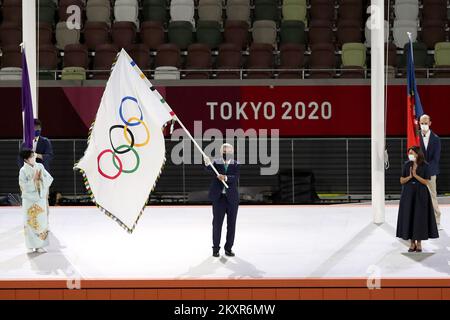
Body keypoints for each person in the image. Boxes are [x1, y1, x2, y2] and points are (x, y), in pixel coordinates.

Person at [396, 146, 439, 252]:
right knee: (409, 217)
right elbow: (401, 180)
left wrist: (415, 175)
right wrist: (410, 177)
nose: (410, 155)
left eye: (412, 153)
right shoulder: (407, 165)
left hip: (421, 194)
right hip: (408, 194)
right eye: (409, 153)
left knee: (419, 218)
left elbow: (426, 182)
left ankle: (419, 243)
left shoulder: (425, 165)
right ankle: (412, 243)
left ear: (417, 153)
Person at [204, 143, 240, 257]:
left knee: (231, 224)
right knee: (217, 224)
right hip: (219, 199)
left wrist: (225, 177)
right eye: (224, 152)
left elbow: (235, 178)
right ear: (221, 153)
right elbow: (208, 169)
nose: (226, 153)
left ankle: (228, 248)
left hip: (232, 199)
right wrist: (206, 162)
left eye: (228, 151)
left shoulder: (236, 164)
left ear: (232, 152)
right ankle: (215, 249)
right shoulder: (216, 162)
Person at [19, 149, 54, 253]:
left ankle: (40, 245)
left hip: (40, 198)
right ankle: (30, 245)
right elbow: (23, 186)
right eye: (32, 156)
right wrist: (33, 180)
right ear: (26, 159)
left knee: (41, 222)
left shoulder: (40, 166)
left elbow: (49, 179)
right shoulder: (23, 170)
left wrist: (40, 180)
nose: (34, 158)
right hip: (29, 200)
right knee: (30, 221)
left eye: (34, 156)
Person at [419, 114, 442, 229]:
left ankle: (437, 221)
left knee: (433, 195)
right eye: (422, 123)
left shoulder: (436, 139)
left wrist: (427, 170)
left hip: (431, 172)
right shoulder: (416, 137)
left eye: (425, 123)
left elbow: (436, 158)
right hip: (418, 172)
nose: (423, 125)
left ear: (430, 123)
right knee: (419, 197)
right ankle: (421, 220)